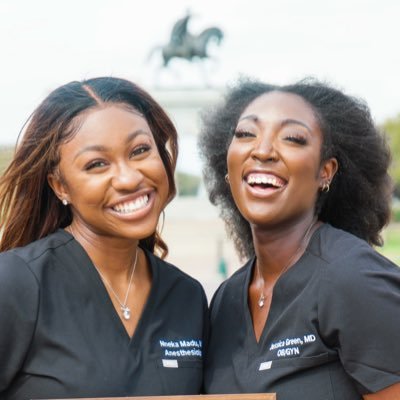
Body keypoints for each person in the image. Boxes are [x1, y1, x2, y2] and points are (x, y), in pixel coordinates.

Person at [0, 77, 207, 399]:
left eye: (140, 150)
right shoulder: (15, 282)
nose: (128, 178)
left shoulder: (187, 297)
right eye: (97, 164)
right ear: (60, 186)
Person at [198, 78, 400, 400]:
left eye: (292, 138)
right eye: (246, 134)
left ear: (326, 172)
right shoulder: (225, 301)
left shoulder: (354, 280)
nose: (262, 150)